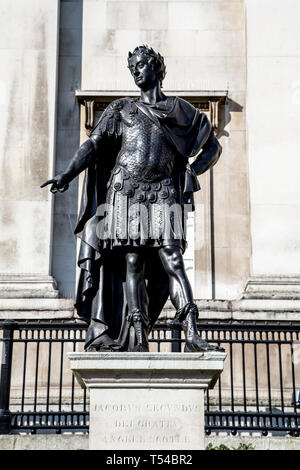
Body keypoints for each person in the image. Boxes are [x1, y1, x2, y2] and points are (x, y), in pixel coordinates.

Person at [41, 45, 223, 353]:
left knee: (173, 259)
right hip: (126, 190)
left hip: (164, 190)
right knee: (133, 263)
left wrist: (190, 174)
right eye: (132, 68)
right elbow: (94, 146)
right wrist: (67, 174)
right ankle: (137, 336)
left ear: (155, 67)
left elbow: (213, 149)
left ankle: (191, 332)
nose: (135, 71)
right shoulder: (120, 109)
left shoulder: (181, 111)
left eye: (140, 65)